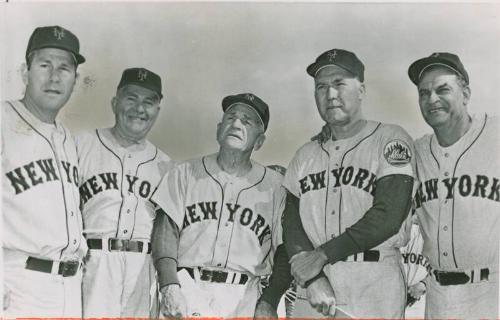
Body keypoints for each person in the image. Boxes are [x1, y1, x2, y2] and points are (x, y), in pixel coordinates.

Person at [282, 48, 416, 318]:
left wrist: (320, 257)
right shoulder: (304, 155)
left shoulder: (390, 138)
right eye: (321, 87)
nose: (330, 94)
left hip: (374, 282)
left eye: (339, 84)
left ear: (362, 90)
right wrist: (311, 278)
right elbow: (291, 224)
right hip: (316, 286)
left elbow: (388, 214)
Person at [151, 93, 286, 318]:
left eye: (247, 121)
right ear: (218, 129)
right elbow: (165, 233)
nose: (236, 123)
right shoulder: (184, 172)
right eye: (231, 117)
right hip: (189, 289)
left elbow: (284, 250)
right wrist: (169, 286)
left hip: (246, 297)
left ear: (259, 141)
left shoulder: (276, 187)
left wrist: (270, 300)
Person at [2, 25, 87, 317]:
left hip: (68, 286)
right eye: (44, 65)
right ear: (25, 72)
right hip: (18, 283)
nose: (54, 77)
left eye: (64, 68)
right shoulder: (3, 120)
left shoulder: (67, 138)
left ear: (75, 80)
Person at [408, 52, 499, 319]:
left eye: (442, 89)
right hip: (438, 297)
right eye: (424, 93)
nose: (431, 99)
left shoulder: (495, 135)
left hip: (492, 291)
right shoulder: (417, 152)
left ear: (466, 94)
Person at [76, 67, 172, 318]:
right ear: (115, 102)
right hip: (93, 263)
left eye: (148, 102)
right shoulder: (82, 144)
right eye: (131, 98)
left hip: (142, 269)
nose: (139, 109)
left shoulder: (165, 165)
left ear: (157, 112)